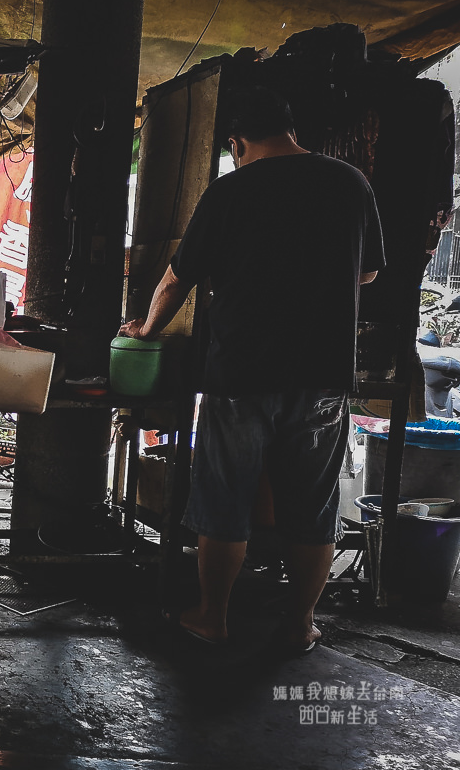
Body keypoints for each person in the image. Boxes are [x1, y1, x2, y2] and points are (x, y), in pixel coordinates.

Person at [119, 87, 384, 655]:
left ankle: (212, 617)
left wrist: (146, 329)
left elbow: (177, 278)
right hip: (321, 374)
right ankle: (298, 624)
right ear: (291, 130)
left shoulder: (231, 190)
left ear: (237, 142)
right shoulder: (350, 183)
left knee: (225, 500)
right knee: (311, 508)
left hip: (240, 373)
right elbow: (367, 276)